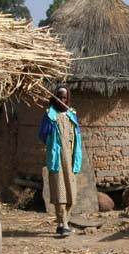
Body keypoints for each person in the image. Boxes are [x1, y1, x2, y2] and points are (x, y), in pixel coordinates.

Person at [38, 86, 82, 237]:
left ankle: (65, 222)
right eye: (59, 97)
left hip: (69, 160)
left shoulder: (71, 115)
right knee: (59, 191)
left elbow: (77, 137)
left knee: (71, 193)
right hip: (57, 160)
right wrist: (52, 143)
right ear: (55, 98)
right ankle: (62, 223)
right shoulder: (50, 116)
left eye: (65, 98)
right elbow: (42, 135)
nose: (62, 100)